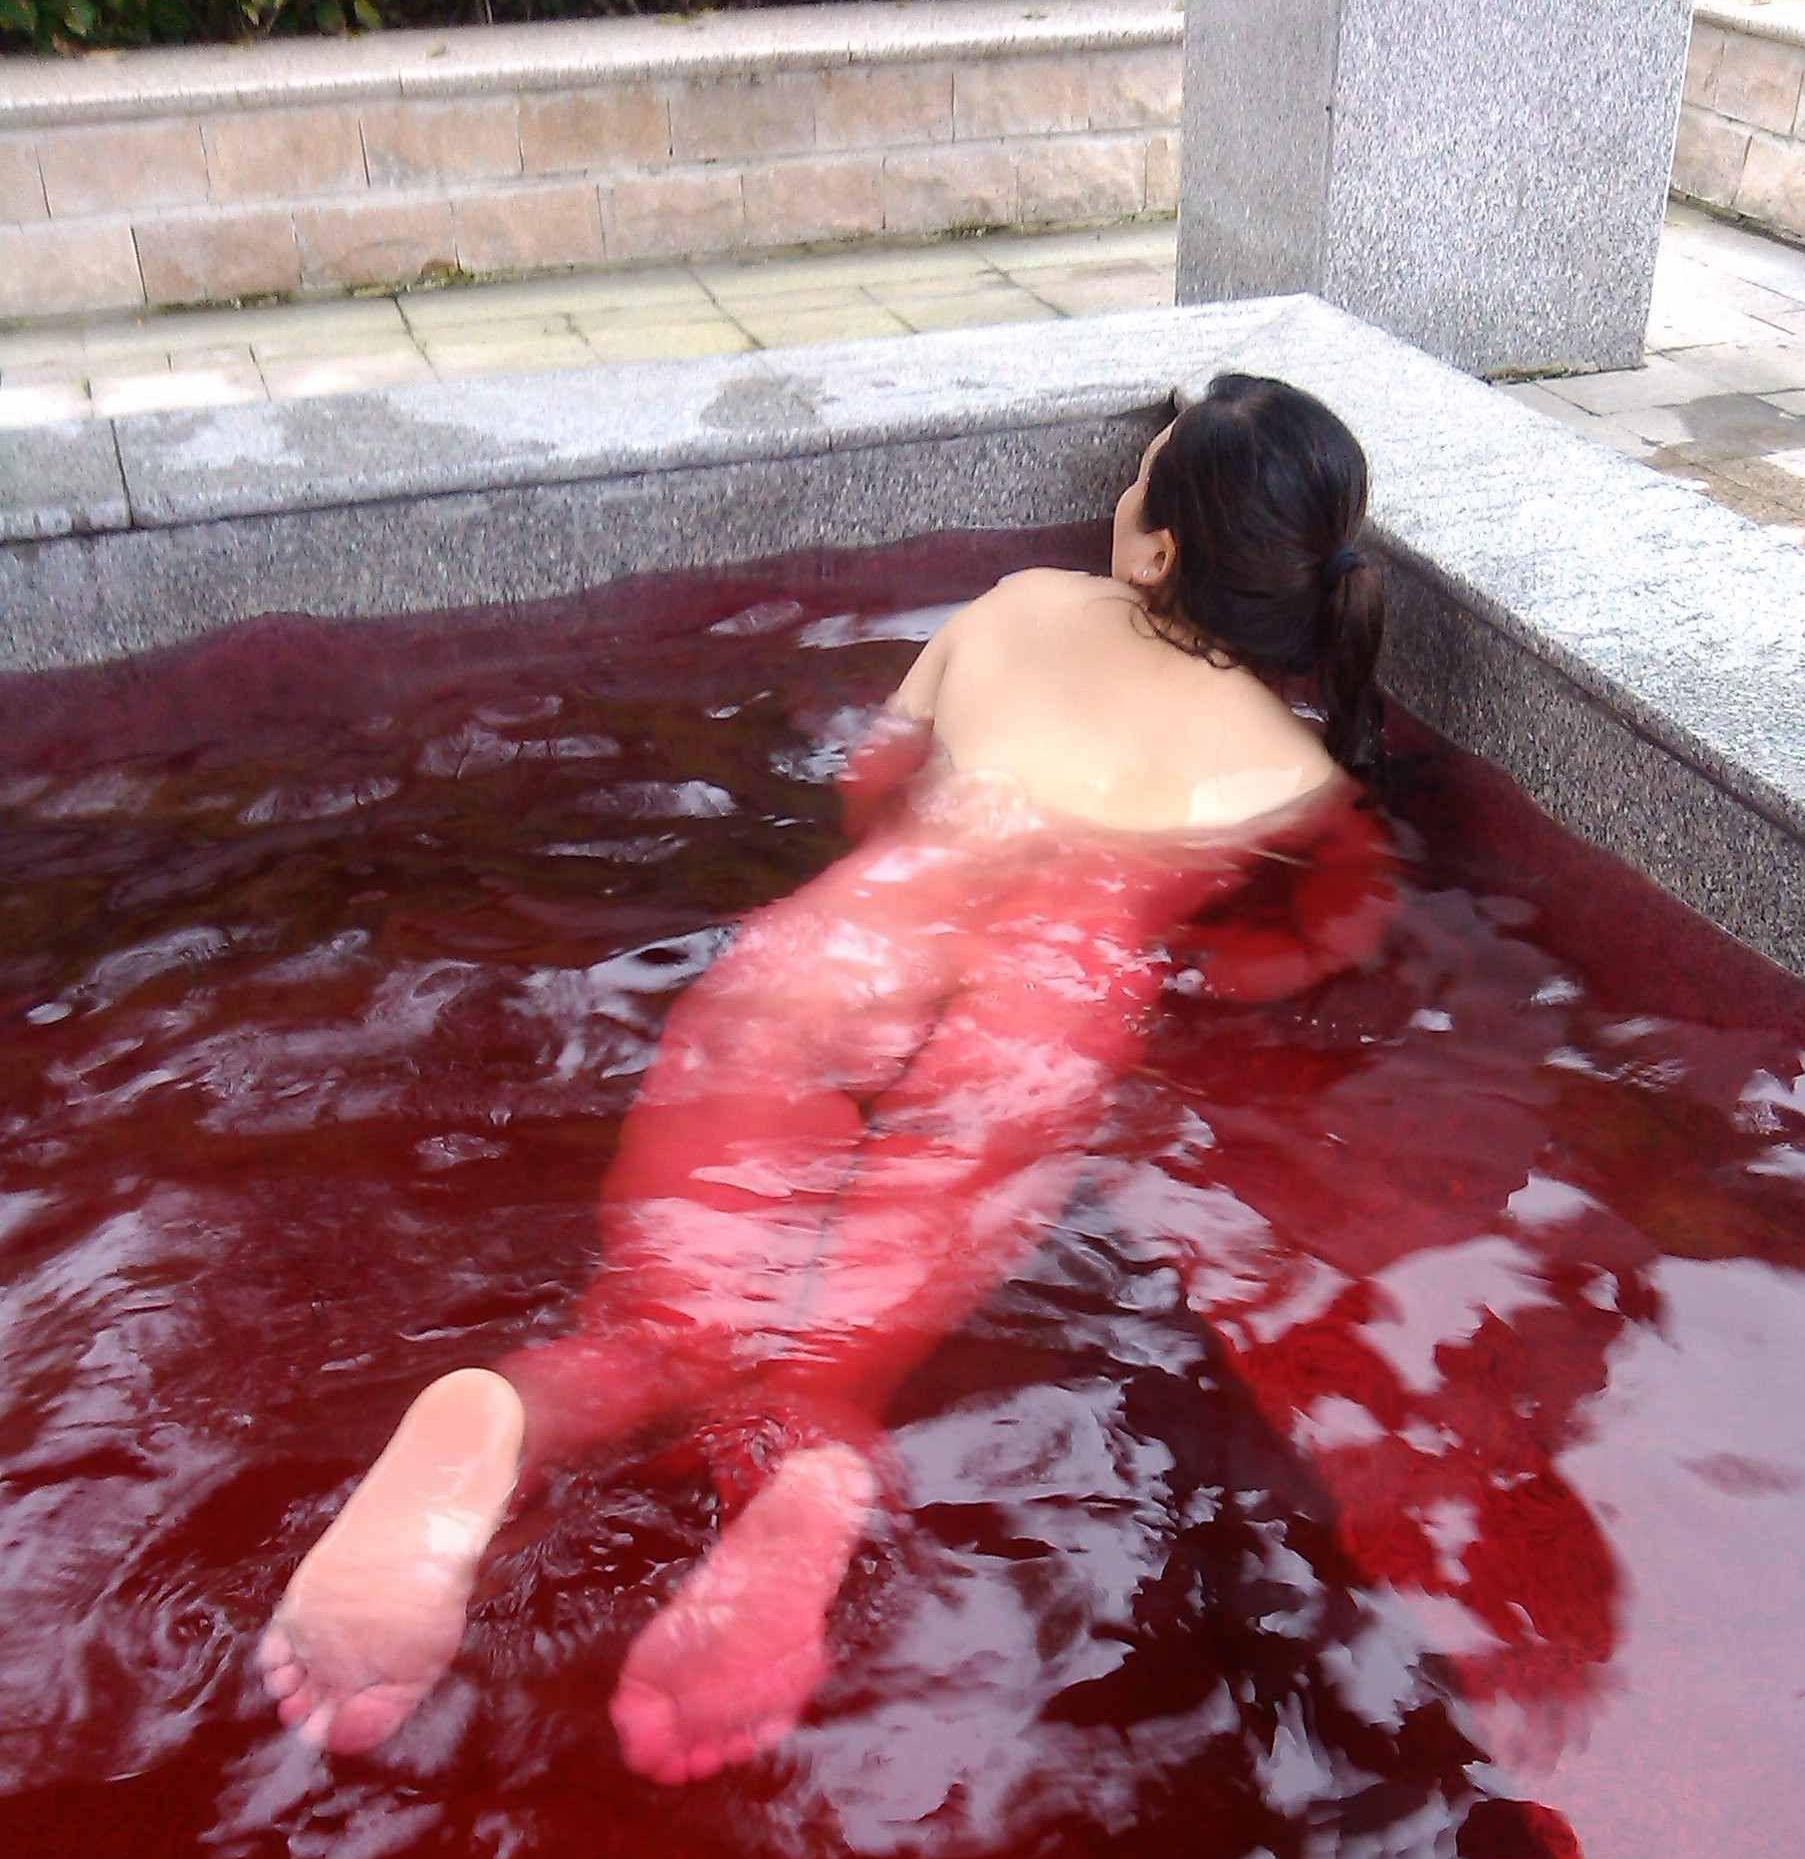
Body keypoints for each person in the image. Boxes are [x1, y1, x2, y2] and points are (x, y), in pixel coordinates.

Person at [257, 374, 1399, 1784]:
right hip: (1053, 1000)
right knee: (825, 1366)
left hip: (845, 948)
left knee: (656, 1325)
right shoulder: (1293, 772)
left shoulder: (1021, 607)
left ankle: (513, 1410)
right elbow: (1339, 931)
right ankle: (809, 1463)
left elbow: (870, 781)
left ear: (1155, 549)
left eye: (1137, 474)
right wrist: (1211, 975)